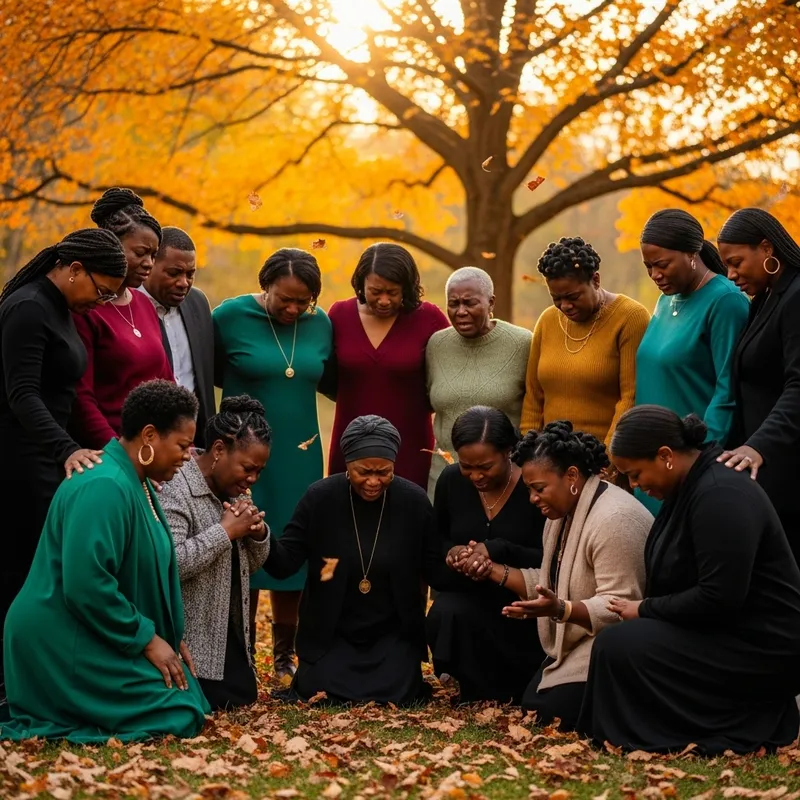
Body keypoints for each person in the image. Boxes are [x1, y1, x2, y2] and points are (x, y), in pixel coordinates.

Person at [579, 405, 800, 754]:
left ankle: (652, 734)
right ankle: (631, 734)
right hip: (726, 629)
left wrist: (646, 609)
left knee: (621, 645)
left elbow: (719, 599)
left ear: (665, 455)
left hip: (761, 645)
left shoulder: (720, 494)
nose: (634, 486)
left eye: (635, 474)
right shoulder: (688, 486)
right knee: (618, 644)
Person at [1, 380, 210, 742]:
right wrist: (147, 639)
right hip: (59, 634)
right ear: (149, 435)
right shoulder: (105, 486)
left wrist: (167, 633)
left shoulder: (137, 482)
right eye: (181, 445)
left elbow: (139, 568)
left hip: (92, 626)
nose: (188, 455)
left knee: (188, 696)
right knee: (179, 712)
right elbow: (87, 584)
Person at [0, 229, 128, 703]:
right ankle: (11, 681)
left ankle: (37, 675)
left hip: (48, 455)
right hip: (19, 457)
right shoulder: (29, 308)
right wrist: (66, 449)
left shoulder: (65, 310)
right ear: (74, 269)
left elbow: (67, 394)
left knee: (44, 568)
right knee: (20, 571)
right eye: (101, 289)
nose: (103, 300)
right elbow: (22, 394)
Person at [264, 415, 450, 705]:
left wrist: (461, 556)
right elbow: (285, 562)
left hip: (392, 634)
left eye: (384, 472)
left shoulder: (413, 502)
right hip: (332, 633)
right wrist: (260, 534)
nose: (374, 481)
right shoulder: (320, 498)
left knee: (398, 691)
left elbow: (436, 571)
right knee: (319, 689)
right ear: (347, 465)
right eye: (364, 471)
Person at [213, 247, 332, 680]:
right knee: (239, 542)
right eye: (285, 298)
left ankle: (285, 654)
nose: (294, 308)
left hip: (299, 455)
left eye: (304, 301)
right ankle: (238, 650)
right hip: (240, 453)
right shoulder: (229, 317)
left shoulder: (321, 325)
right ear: (266, 285)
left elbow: (331, 378)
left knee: (292, 545)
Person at [492, 421, 651, 730]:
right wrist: (494, 572)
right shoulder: (562, 512)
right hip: (582, 639)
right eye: (529, 490)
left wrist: (561, 610)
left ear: (572, 476)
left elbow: (623, 605)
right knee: (535, 707)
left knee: (551, 712)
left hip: (617, 646)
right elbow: (559, 580)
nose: (533, 499)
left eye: (539, 488)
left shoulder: (614, 519)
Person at [159, 396, 271, 710]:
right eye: (248, 468)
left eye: (259, 471)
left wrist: (257, 534)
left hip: (227, 635)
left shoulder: (235, 487)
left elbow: (251, 564)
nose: (252, 479)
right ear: (219, 450)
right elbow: (172, 564)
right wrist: (225, 532)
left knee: (242, 696)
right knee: (213, 701)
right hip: (187, 637)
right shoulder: (177, 486)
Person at [427, 407, 545, 703]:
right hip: (469, 598)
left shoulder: (533, 487)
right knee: (445, 611)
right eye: (467, 466)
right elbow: (435, 540)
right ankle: (471, 683)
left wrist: (497, 550)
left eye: (485, 466)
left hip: (522, 604)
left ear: (508, 451)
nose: (475, 476)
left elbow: (550, 555)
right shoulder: (452, 481)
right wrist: (453, 553)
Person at [635, 209, 749, 513]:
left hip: (687, 465)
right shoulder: (664, 299)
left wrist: (700, 460)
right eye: (648, 267)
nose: (655, 275)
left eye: (662, 265)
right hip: (651, 461)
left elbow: (729, 390)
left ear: (691, 254)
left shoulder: (726, 301)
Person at [327, 243, 449, 489]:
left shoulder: (429, 318)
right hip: (351, 442)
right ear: (361, 283)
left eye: (393, 292)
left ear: (407, 287)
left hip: (411, 445)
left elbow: (448, 376)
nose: (384, 300)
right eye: (375, 291)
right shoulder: (339, 315)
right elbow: (326, 378)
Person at [716, 209, 800, 562]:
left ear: (766, 249)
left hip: (788, 465)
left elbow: (798, 385)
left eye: (736, 263)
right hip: (767, 467)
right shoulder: (765, 298)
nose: (731, 275)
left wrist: (758, 447)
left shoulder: (796, 297)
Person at [520, 237, 649, 447]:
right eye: (556, 298)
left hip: (603, 456)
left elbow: (630, 398)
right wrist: (530, 450)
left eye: (573, 296)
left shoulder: (630, 317)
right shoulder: (547, 320)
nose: (565, 306)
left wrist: (607, 459)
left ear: (596, 280)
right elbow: (534, 396)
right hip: (552, 459)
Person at [72, 188, 174, 448]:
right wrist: (116, 452)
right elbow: (81, 397)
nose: (149, 263)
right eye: (140, 253)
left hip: (155, 449)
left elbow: (166, 382)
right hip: (108, 451)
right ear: (111, 244)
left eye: (153, 255)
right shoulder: (86, 309)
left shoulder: (145, 305)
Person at [426, 268, 531, 498]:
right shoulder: (436, 345)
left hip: (505, 480)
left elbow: (535, 411)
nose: (461, 311)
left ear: (490, 302)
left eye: (469, 303)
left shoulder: (522, 343)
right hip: (445, 480)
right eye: (453, 304)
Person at [141, 227, 216, 447]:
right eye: (174, 273)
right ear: (151, 264)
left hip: (196, 442)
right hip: (149, 440)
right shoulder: (130, 308)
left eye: (190, 274)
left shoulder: (198, 303)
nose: (184, 282)